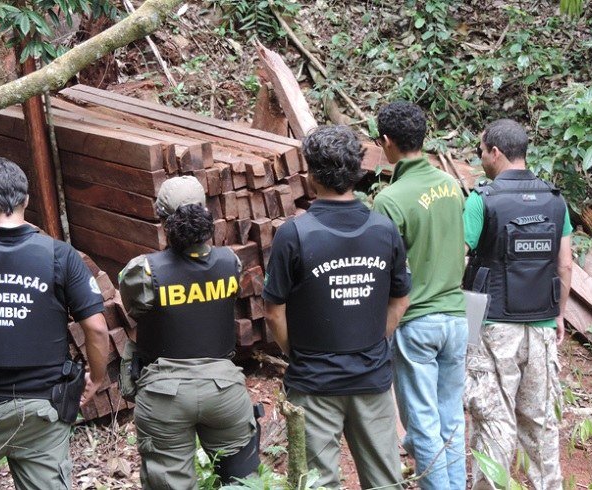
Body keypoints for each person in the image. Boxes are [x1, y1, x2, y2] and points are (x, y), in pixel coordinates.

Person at [263, 125, 411, 489]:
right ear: (358, 170)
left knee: (317, 483)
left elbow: (274, 311)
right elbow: (401, 298)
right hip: (371, 379)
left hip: (314, 381)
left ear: (310, 173)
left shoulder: (293, 234)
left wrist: (293, 351)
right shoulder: (384, 230)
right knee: (384, 481)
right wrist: (377, 340)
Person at [0, 157, 109, 489]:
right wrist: (96, 378)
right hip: (44, 409)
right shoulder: (61, 255)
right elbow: (97, 328)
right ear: (26, 199)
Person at [118, 176, 258, 489]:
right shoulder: (230, 261)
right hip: (225, 390)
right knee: (242, 482)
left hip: (165, 394)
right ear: (206, 214)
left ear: (164, 222)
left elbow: (134, 308)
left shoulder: (144, 271)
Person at [462, 119, 572, 489]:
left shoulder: (482, 199)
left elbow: (460, 255)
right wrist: (559, 315)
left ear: (495, 152)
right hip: (541, 324)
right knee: (541, 422)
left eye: (481, 151)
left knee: (493, 417)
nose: (480, 158)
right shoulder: (556, 200)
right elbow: (566, 263)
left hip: (491, 324)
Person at [372, 102, 468, 490]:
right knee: (451, 417)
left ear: (386, 142)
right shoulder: (451, 186)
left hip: (416, 321)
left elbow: (384, 273)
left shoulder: (389, 200)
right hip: (457, 318)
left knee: (423, 421)